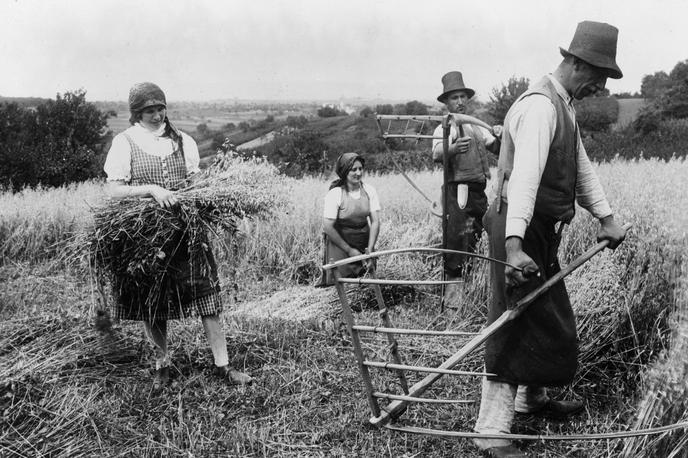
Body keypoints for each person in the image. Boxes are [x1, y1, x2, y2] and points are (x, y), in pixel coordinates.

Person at [472, 22, 627, 457]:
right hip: (518, 228)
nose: (600, 83)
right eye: (598, 73)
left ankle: (531, 399)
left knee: (549, 318)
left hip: (536, 230)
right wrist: (515, 247)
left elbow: (580, 170)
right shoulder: (541, 107)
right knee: (514, 321)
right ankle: (491, 432)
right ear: (576, 62)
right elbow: (523, 182)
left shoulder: (564, 106)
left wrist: (608, 218)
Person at [103, 82, 252, 389]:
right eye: (149, 110)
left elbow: (198, 186)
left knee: (206, 297)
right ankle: (162, 365)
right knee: (152, 301)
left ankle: (222, 366)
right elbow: (114, 190)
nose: (157, 115)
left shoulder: (183, 141)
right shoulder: (125, 142)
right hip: (146, 236)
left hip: (187, 232)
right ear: (137, 113)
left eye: (160, 108)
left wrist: (220, 207)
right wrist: (151, 190)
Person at [432, 71, 501, 307]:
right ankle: (453, 304)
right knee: (457, 242)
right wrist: (451, 149)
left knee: (481, 237)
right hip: (458, 192)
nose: (460, 101)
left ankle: (476, 296)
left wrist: (502, 135)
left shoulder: (476, 127)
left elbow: (497, 149)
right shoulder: (445, 128)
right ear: (446, 102)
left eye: (462, 96)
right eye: (454, 98)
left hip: (478, 192)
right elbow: (436, 154)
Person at [316, 153, 381, 286]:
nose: (358, 173)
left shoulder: (369, 191)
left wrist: (370, 249)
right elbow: (328, 226)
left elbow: (375, 222)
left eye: (360, 168)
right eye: (353, 170)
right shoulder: (335, 194)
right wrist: (349, 250)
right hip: (341, 246)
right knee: (343, 284)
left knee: (367, 282)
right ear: (345, 172)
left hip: (364, 243)